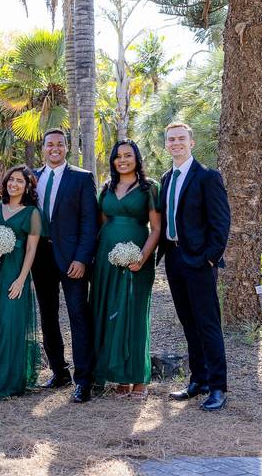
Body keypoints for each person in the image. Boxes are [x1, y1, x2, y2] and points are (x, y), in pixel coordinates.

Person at [0, 130, 98, 403]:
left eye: (59, 144)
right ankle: (59, 371)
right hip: (40, 259)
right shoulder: (34, 177)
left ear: (67, 147)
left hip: (71, 260)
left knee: (78, 316)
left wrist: (81, 258)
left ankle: (83, 380)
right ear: (43, 148)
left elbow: (90, 223)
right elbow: (10, 195)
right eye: (49, 144)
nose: (54, 148)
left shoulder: (82, 177)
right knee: (48, 317)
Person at [159, 122, 231, 411]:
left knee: (208, 324)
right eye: (171, 139)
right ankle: (198, 380)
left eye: (181, 139)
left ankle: (217, 387)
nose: (176, 143)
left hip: (199, 261)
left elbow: (221, 222)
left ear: (192, 143)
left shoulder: (207, 177)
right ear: (166, 145)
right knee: (189, 323)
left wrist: (210, 258)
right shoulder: (167, 178)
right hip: (174, 259)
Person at [90, 140, 161, 399]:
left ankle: (139, 379)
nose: (122, 160)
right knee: (110, 310)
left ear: (137, 159)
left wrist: (142, 257)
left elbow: (156, 229)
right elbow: (102, 222)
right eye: (118, 156)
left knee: (134, 312)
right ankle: (119, 377)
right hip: (106, 257)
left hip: (137, 258)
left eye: (128, 155)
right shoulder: (107, 188)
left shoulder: (149, 188)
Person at [0, 165, 42, 402]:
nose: (14, 184)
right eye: (11, 180)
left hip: (14, 272)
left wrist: (22, 279)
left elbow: (32, 248)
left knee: (7, 324)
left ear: (27, 187)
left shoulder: (32, 213)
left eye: (20, 181)